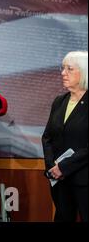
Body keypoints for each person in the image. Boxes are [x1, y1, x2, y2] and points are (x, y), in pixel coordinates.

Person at [42, 51, 88, 222]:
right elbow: (47, 137)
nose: (63, 73)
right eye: (63, 68)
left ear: (84, 73)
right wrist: (52, 167)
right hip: (59, 179)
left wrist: (64, 167)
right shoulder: (59, 101)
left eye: (69, 69)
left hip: (83, 179)